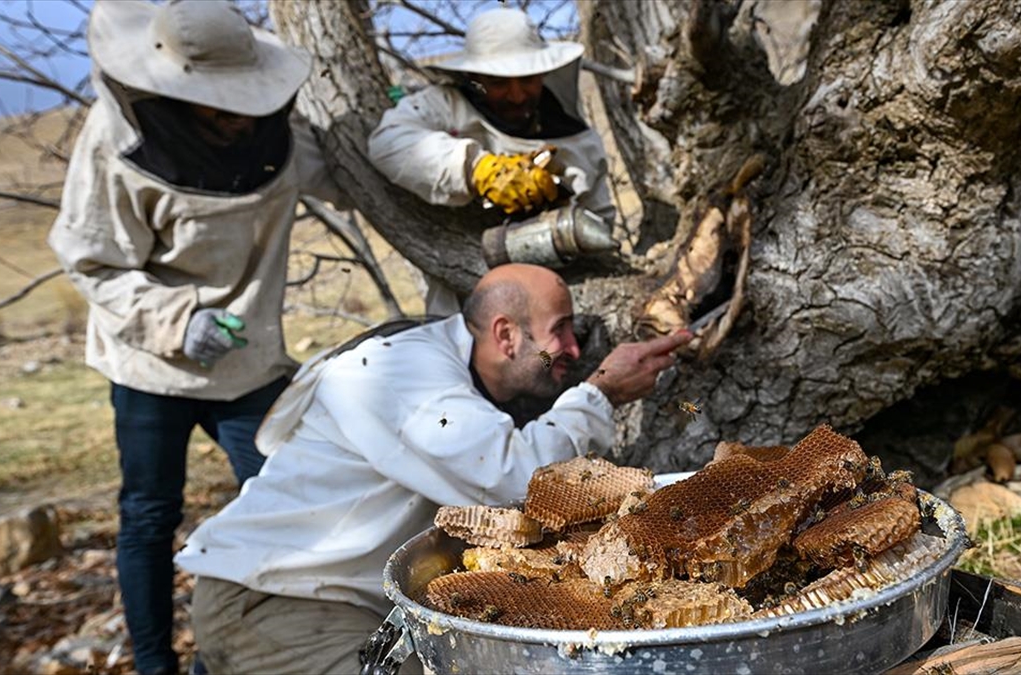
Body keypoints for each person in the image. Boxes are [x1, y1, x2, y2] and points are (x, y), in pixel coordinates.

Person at [175, 263, 691, 674]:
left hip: (334, 600)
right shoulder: (401, 374)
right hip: (276, 600)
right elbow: (521, 479)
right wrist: (601, 392)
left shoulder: (461, 370)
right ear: (506, 335)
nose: (575, 349)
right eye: (560, 331)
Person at [47, 2, 346, 673]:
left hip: (252, 359)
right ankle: (156, 664)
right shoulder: (113, 143)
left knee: (286, 499)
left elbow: (348, 180)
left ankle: (253, 650)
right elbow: (92, 260)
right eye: (221, 110)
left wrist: (379, 127)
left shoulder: (281, 133)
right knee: (150, 516)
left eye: (246, 104)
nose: (241, 119)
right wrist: (177, 320)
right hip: (149, 367)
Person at [368, 6, 616, 313]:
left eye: (527, 80)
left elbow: (600, 223)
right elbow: (388, 142)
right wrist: (479, 170)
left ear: (544, 73)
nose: (516, 95)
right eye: (499, 83)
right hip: (463, 309)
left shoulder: (579, 141)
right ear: (475, 77)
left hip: (562, 307)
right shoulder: (442, 107)